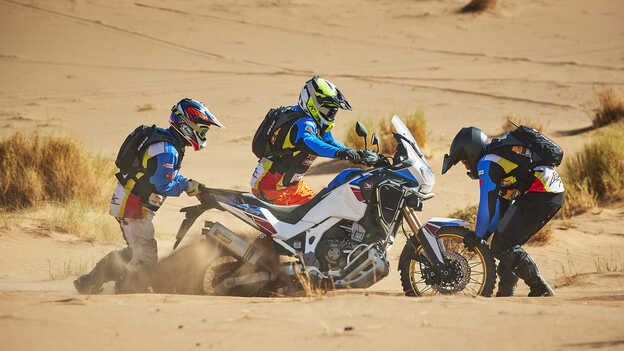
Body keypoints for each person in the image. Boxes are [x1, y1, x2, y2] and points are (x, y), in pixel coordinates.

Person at [74, 98, 224, 294]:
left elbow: (163, 176)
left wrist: (189, 184)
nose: (204, 134)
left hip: (130, 201)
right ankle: (125, 291)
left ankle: (88, 282)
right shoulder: (168, 149)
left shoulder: (167, 144)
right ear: (187, 125)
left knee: (133, 252)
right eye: (202, 129)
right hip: (133, 205)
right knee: (145, 256)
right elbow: (163, 183)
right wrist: (187, 186)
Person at [441, 127, 564, 297]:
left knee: (502, 244)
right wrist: (483, 236)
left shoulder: (487, 163)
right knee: (503, 242)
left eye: (465, 161)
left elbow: (487, 204)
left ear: (471, 153)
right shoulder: (500, 159)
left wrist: (477, 235)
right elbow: (499, 209)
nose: (467, 166)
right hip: (549, 192)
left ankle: (540, 288)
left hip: (543, 192)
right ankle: (505, 293)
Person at [250, 76, 361, 205]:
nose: (331, 115)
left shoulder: (316, 124)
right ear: (313, 104)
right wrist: (341, 153)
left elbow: (329, 143)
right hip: (270, 189)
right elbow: (309, 142)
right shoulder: (304, 123)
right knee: (310, 222)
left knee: (325, 208)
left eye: (333, 111)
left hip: (293, 188)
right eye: (328, 109)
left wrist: (356, 153)